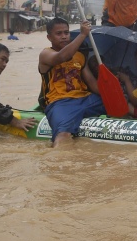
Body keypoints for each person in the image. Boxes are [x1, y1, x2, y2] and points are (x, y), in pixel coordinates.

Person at [38, 17, 105, 148]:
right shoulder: (45, 54)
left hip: (85, 99)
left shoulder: (79, 56)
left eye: (66, 33)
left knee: (119, 105)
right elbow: (62, 57)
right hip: (60, 102)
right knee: (63, 136)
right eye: (59, 34)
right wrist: (82, 34)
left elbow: (92, 83)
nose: (64, 36)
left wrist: (113, 93)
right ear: (49, 37)